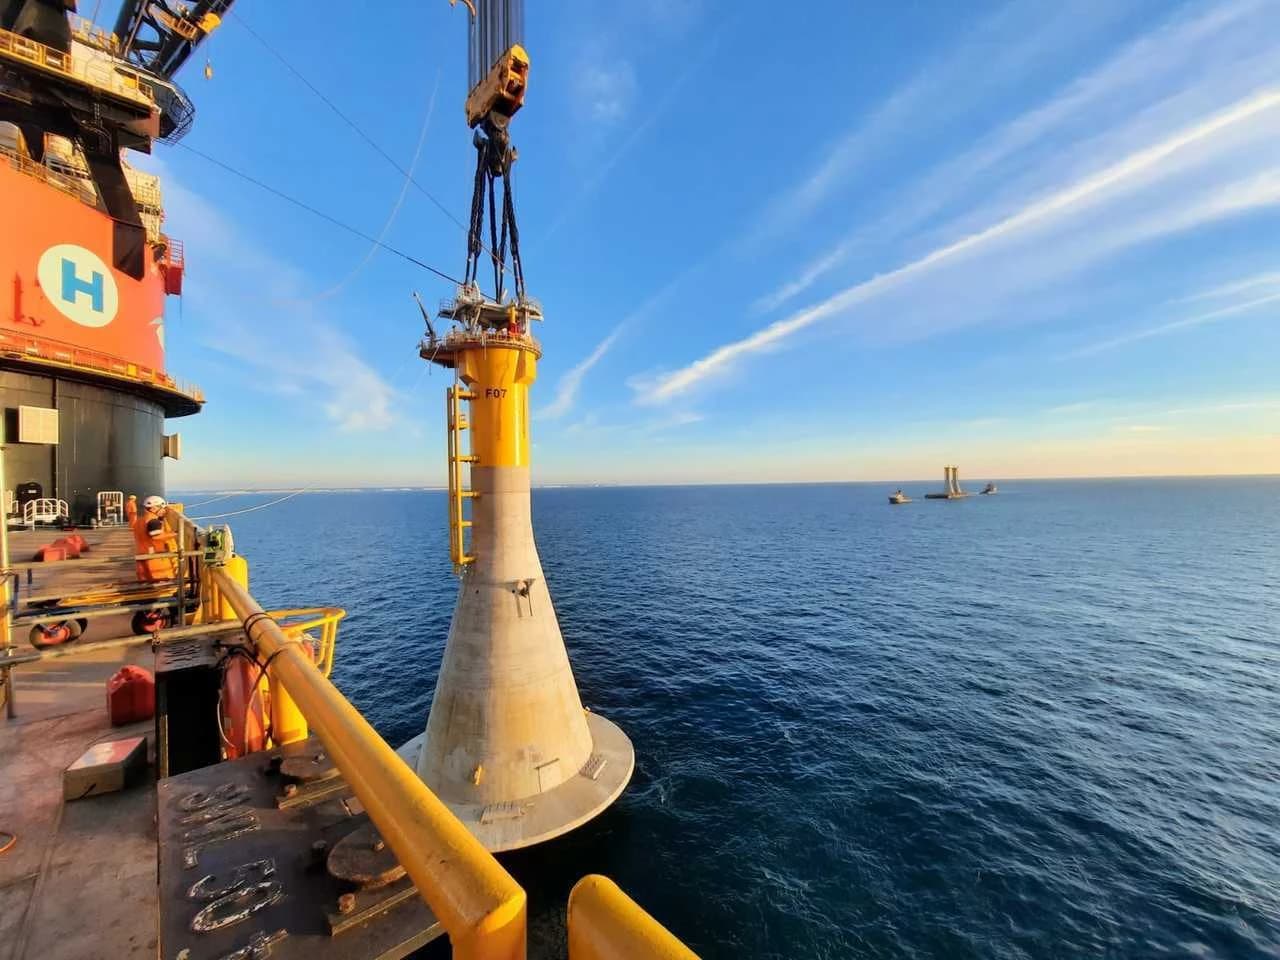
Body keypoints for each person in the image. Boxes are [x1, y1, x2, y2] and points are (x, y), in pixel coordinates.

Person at [131, 495, 177, 582]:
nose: (164, 510)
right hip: (155, 558)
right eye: (162, 508)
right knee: (163, 584)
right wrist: (174, 534)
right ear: (153, 508)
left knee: (146, 586)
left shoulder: (140, 520)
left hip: (142, 556)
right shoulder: (153, 521)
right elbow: (155, 537)